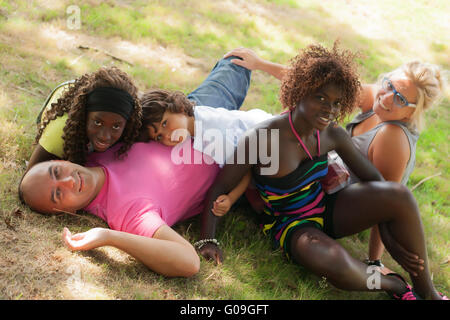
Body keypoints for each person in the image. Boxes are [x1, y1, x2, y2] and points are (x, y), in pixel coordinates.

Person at [198, 43, 447, 299]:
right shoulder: (264, 137)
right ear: (300, 91)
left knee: (399, 195)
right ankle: (394, 286)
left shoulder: (332, 134)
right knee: (337, 267)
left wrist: (391, 243)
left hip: (329, 208)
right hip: (292, 224)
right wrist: (208, 240)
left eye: (337, 103)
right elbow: (219, 187)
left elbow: (380, 186)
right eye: (321, 98)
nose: (330, 109)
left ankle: (427, 292)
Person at [18, 55, 253, 278]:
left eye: (57, 172)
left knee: (235, 64)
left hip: (192, 120)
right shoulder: (127, 213)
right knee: (279, 131)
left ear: (62, 161)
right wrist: (109, 237)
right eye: (58, 194)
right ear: (64, 212)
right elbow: (189, 262)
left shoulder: (94, 150)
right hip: (237, 163)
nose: (69, 181)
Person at [138, 89, 273, 215]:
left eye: (165, 124)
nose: (167, 136)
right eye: (159, 136)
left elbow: (244, 170)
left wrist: (231, 198)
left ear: (180, 108)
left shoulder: (211, 136)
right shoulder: (195, 116)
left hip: (272, 144)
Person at [28, 67, 143, 168]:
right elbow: (26, 183)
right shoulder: (60, 132)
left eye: (116, 126)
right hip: (67, 95)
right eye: (98, 122)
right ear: (85, 114)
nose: (104, 136)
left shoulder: (130, 125)